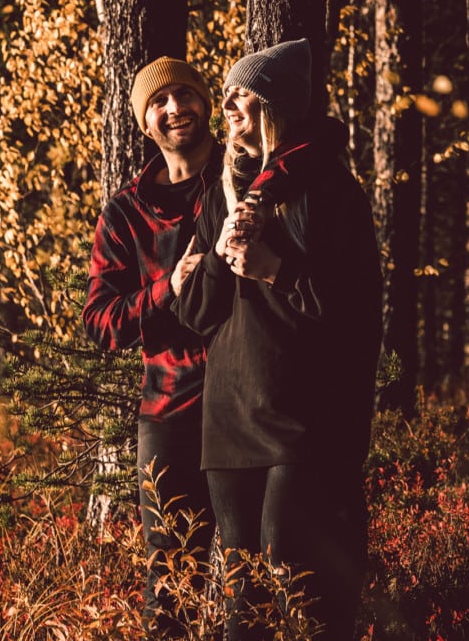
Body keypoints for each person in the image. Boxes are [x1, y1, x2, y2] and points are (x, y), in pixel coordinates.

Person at [174, 38, 382, 640]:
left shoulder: (328, 190)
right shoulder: (225, 189)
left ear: (277, 104)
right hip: (229, 424)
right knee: (246, 609)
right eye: (229, 95)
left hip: (303, 423)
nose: (229, 106)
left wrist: (274, 268)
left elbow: (355, 310)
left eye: (243, 95)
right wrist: (218, 255)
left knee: (303, 595)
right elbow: (196, 312)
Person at [81, 56, 221, 636]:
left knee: (261, 572)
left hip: (252, 402)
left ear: (205, 103)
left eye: (184, 94)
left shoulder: (247, 177)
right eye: (158, 102)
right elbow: (99, 321)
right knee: (170, 582)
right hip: (168, 410)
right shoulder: (125, 212)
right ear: (144, 124)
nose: (174, 109)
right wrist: (168, 288)